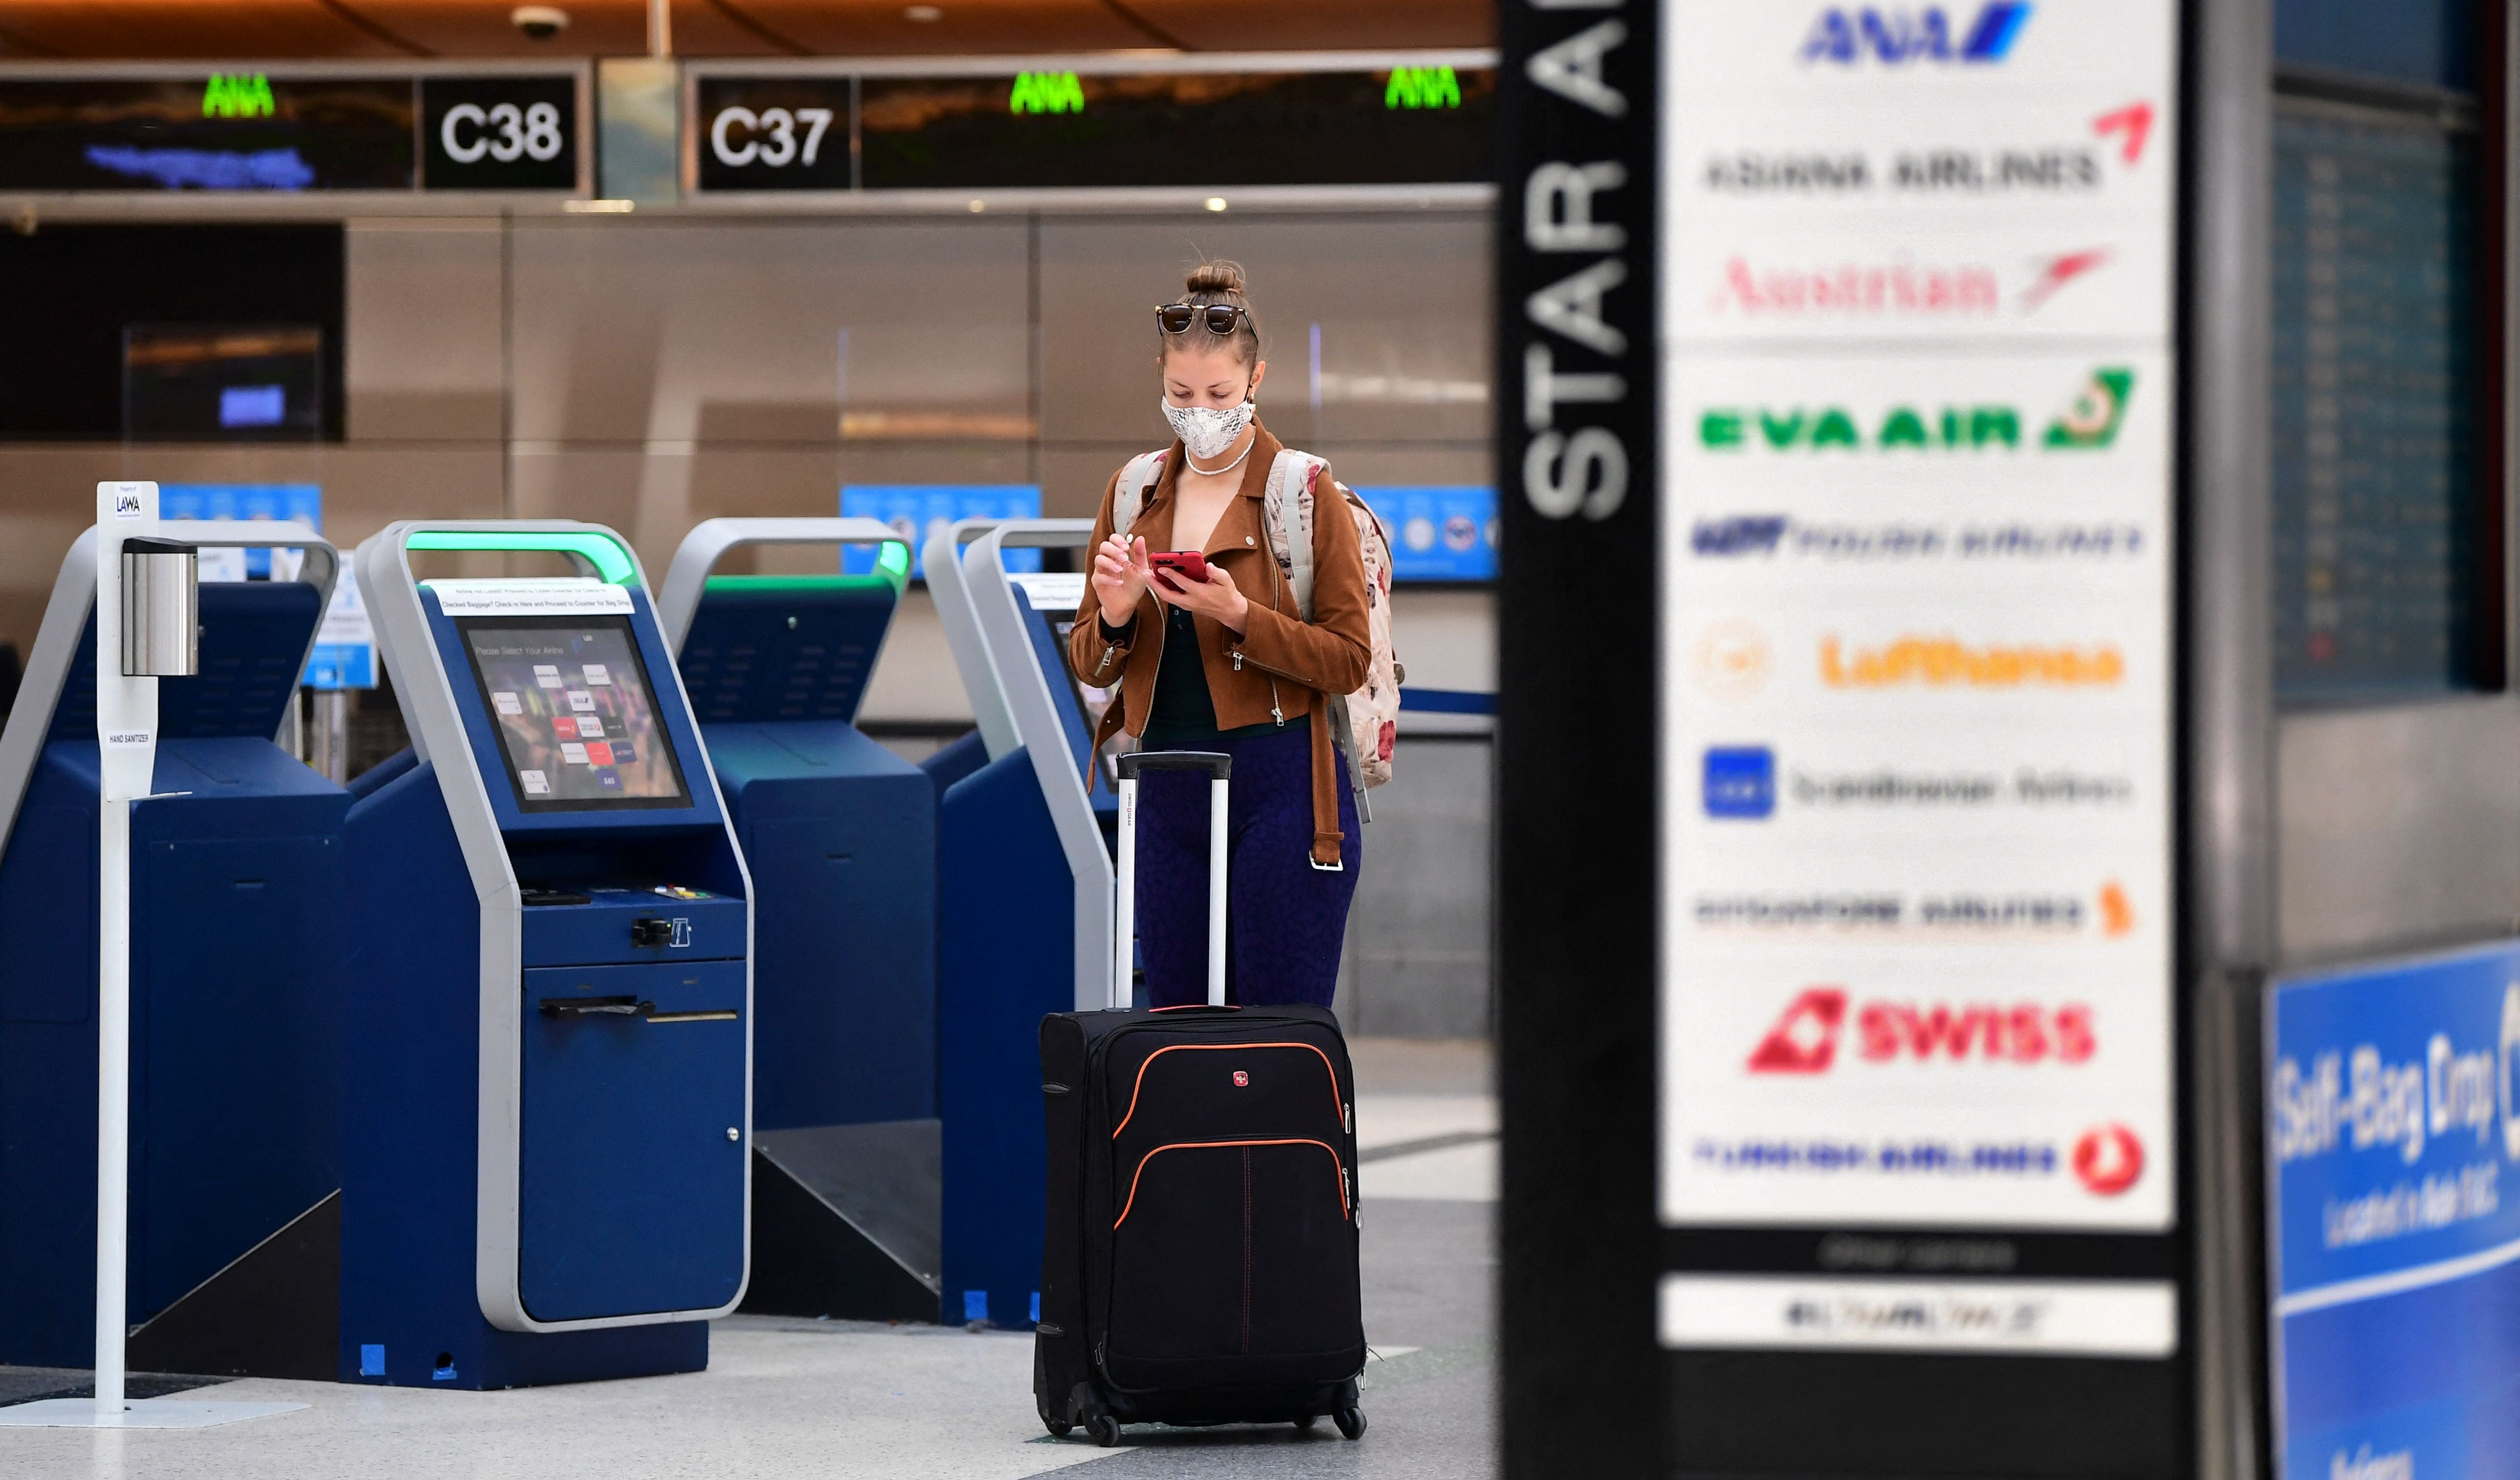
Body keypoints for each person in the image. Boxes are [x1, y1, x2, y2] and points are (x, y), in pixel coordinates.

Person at [1067, 259, 1373, 1010]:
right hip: (1165, 790)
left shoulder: (1303, 492)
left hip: (1283, 788)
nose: (1198, 409)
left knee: (1276, 1037)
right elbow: (1090, 660)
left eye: (1219, 394)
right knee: (1179, 1035)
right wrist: (1114, 609)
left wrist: (1240, 615)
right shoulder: (1135, 490)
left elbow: (1348, 658)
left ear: (1256, 379)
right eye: (1180, 394)